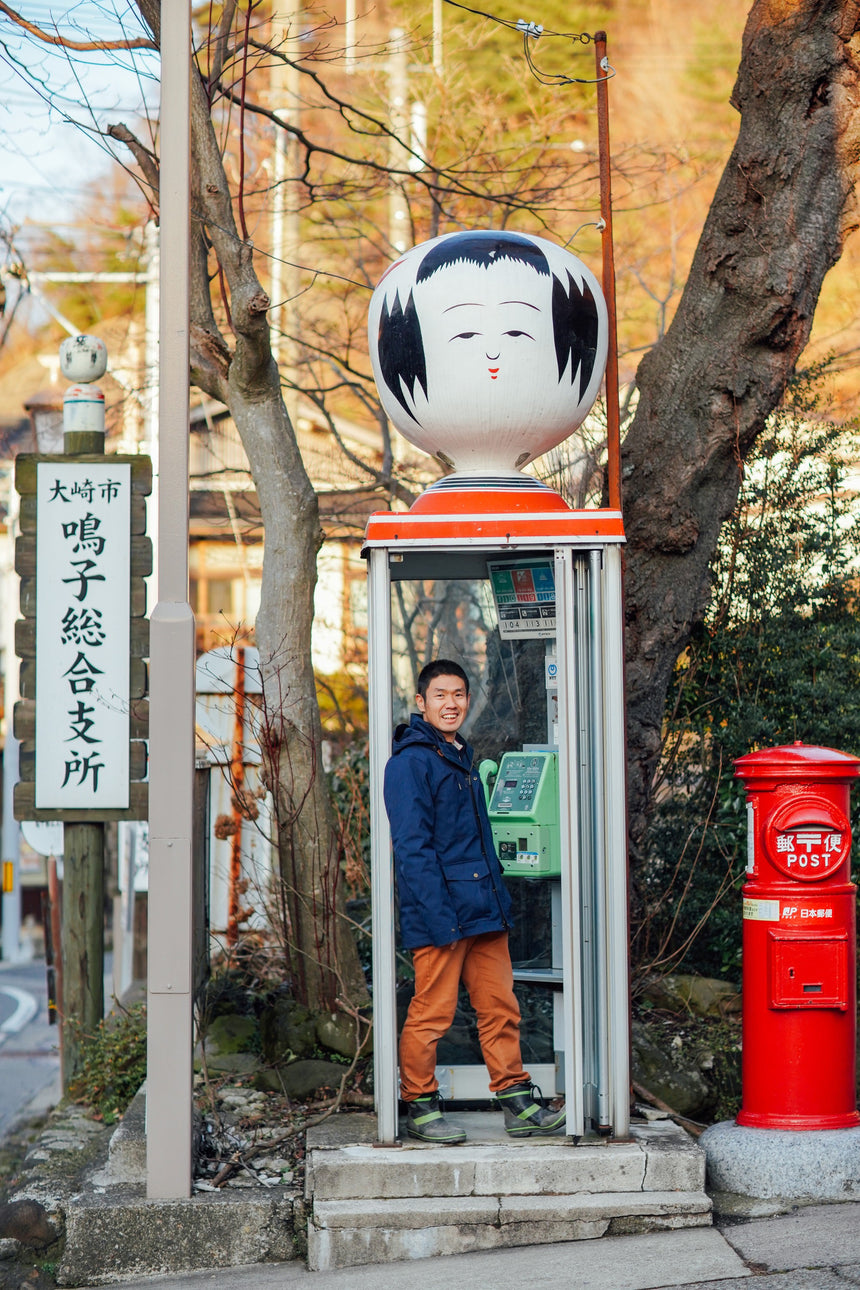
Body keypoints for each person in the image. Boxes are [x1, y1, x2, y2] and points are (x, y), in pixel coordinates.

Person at [383, 658, 566, 1144]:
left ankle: (516, 1103)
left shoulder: (459, 755)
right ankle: (420, 1106)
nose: (452, 703)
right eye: (441, 695)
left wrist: (497, 902)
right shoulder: (409, 763)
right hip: (442, 916)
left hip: (483, 910)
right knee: (432, 1013)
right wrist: (440, 917)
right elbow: (412, 849)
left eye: (459, 694)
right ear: (421, 703)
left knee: (500, 1007)